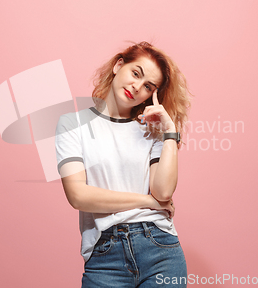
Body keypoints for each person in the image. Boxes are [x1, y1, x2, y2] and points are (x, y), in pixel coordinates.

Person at [55, 41, 191, 287]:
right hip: (105, 255)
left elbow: (162, 192)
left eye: (148, 86)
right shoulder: (71, 123)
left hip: (159, 247)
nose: (137, 87)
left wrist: (169, 131)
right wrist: (146, 201)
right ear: (119, 65)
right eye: (135, 73)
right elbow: (77, 195)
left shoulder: (152, 130)